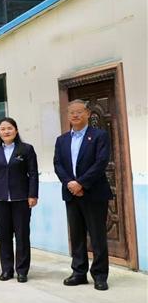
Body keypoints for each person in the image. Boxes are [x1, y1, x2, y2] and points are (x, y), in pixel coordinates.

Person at [53, 99, 112, 291]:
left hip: (94, 193)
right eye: (72, 112)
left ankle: (100, 275)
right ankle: (79, 272)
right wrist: (70, 183)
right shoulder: (62, 140)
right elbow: (58, 164)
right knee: (77, 236)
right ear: (68, 115)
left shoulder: (99, 135)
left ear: (87, 113)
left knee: (97, 236)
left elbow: (101, 162)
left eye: (79, 112)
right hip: (71, 194)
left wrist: (81, 183)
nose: (75, 115)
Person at [0, 118, 39, 282]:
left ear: (16, 130)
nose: (6, 131)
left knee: (22, 235)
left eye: (9, 128)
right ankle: (7, 270)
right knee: (4, 235)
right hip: (0, 199)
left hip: (21, 198)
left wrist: (33, 194)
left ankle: (22, 271)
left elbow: (33, 173)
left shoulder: (26, 149)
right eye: (3, 129)